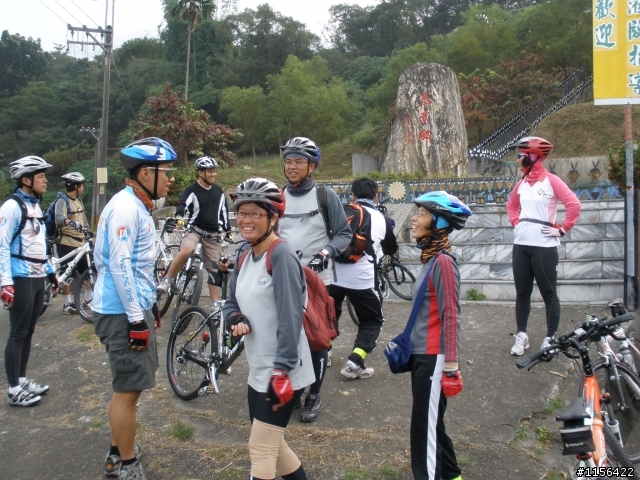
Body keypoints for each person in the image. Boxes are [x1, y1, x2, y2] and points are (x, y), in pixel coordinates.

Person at [92, 137, 177, 480]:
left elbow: (138, 268)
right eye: (166, 172)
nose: (170, 178)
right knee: (126, 392)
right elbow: (120, 266)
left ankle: (118, 450)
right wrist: (135, 318)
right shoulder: (126, 208)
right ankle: (125, 464)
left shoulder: (138, 206)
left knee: (132, 386)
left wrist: (149, 306)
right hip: (119, 313)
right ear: (145, 173)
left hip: (130, 308)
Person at [222, 178, 315, 480]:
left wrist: (282, 370)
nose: (246, 220)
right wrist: (236, 318)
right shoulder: (244, 256)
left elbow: (291, 317)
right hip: (258, 368)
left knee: (261, 450)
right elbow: (230, 302)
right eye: (241, 212)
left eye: (255, 213)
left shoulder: (281, 255)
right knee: (274, 446)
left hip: (283, 369)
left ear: (273, 218)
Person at [278, 136, 352, 423]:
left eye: (298, 161)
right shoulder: (278, 196)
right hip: (286, 278)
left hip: (319, 279)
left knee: (317, 339)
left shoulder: (325, 196)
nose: (292, 166)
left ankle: (315, 393)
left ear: (312, 166)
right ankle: (296, 388)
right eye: (288, 161)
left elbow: (343, 234)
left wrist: (326, 252)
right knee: (288, 336)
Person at [408, 191, 471, 480]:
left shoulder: (443, 262)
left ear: (439, 222)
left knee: (424, 433)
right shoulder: (430, 260)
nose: (414, 219)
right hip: (422, 355)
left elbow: (451, 315)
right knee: (432, 422)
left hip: (434, 358)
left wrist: (451, 366)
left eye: (421, 214)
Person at [506, 136, 581, 356]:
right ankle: (521, 336)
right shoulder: (521, 183)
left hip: (544, 246)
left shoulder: (551, 181)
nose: (517, 160)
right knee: (522, 292)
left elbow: (574, 204)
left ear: (532, 157)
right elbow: (511, 206)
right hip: (521, 245)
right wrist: (516, 223)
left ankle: (550, 338)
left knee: (549, 293)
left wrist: (562, 229)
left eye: (520, 156)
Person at [0, 156, 58, 407]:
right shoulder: (11, 207)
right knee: (17, 332)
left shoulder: (35, 206)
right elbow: (1, 245)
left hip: (36, 277)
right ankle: (13, 389)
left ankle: (22, 379)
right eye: (40, 176)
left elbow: (39, 244)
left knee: (29, 330)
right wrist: (5, 282)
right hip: (20, 277)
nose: (45, 180)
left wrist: (50, 273)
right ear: (26, 180)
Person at [330, 177, 398, 380]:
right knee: (372, 320)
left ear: (353, 195)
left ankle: (325, 352)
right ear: (375, 197)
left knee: (329, 314)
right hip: (361, 280)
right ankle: (355, 361)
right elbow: (390, 249)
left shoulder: (339, 212)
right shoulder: (381, 218)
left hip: (332, 276)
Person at [157, 156, 232, 311]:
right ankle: (167, 280)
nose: (213, 174)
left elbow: (224, 213)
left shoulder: (219, 192)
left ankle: (214, 303)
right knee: (186, 251)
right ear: (200, 173)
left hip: (212, 234)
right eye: (210, 171)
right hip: (195, 230)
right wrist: (179, 216)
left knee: (215, 269)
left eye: (214, 171)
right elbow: (183, 204)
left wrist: (228, 231)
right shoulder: (192, 190)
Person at [54, 172, 90, 314]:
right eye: (82, 185)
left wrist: (88, 232)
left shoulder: (79, 201)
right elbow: (59, 217)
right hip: (66, 243)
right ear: (76, 186)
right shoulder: (62, 201)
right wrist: (70, 222)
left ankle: (88, 300)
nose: (83, 188)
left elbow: (84, 220)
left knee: (87, 271)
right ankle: (67, 304)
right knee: (67, 274)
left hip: (80, 244)